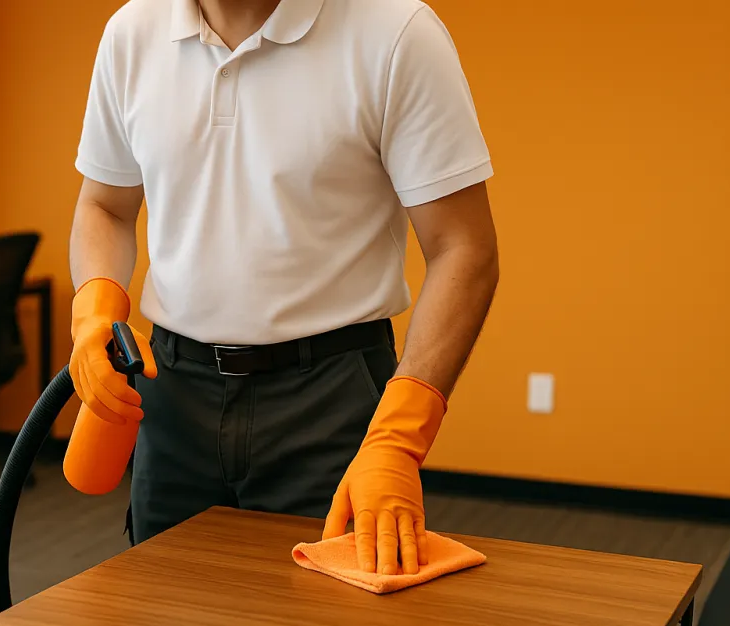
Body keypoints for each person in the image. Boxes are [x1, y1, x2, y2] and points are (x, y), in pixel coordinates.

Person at [68, 0, 499, 576]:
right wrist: (95, 310)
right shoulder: (131, 33)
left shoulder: (396, 33)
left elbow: (464, 250)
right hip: (172, 393)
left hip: (329, 397)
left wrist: (400, 436)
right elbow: (105, 206)